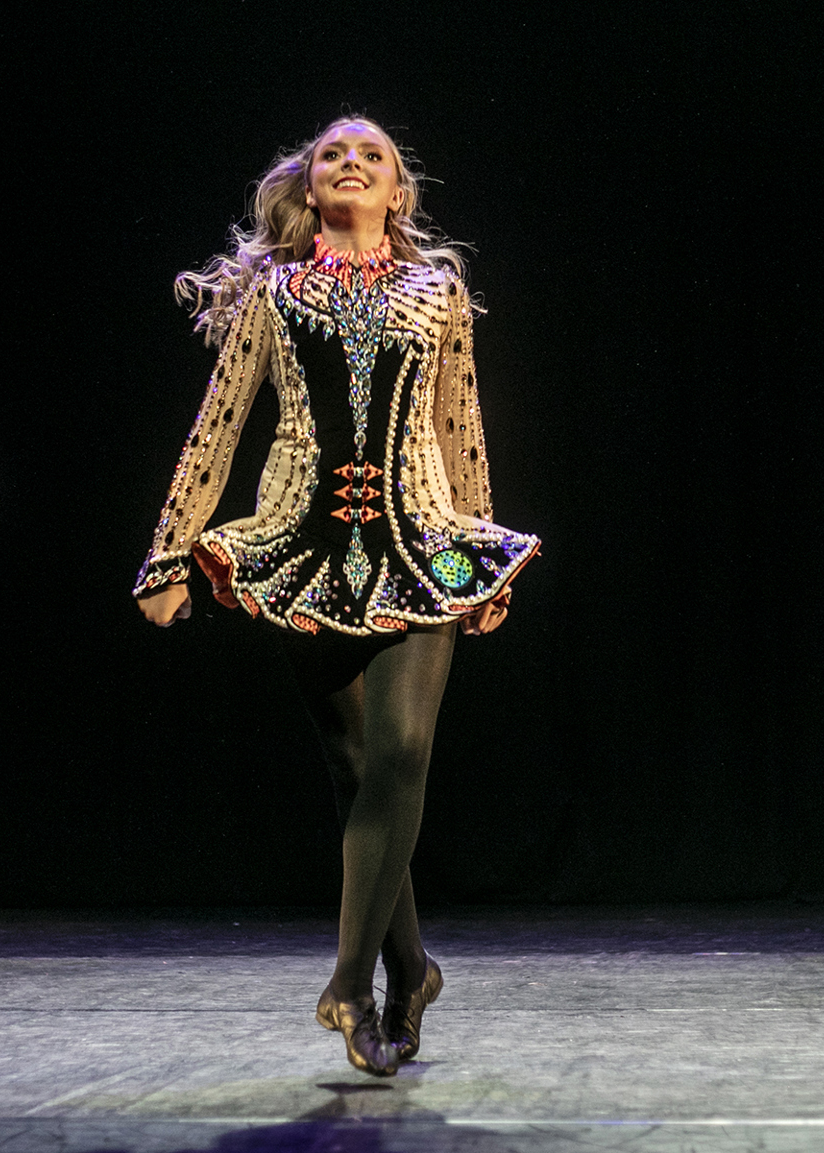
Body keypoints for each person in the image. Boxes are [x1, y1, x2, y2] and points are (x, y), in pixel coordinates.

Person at [134, 118, 538, 1075]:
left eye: (374, 156)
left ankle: (349, 983)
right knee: (360, 775)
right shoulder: (276, 293)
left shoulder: (438, 290)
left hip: (421, 540)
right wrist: (166, 557)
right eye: (332, 156)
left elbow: (459, 422)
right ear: (310, 189)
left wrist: (484, 550)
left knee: (402, 751)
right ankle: (413, 969)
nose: (351, 162)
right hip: (301, 552)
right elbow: (217, 425)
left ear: (398, 193)